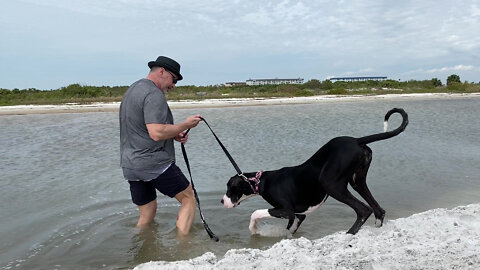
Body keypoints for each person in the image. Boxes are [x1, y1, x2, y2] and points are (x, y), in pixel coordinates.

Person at [119, 56, 202, 235]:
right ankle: (184, 246)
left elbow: (141, 128)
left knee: (146, 214)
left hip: (130, 165)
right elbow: (156, 132)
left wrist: (173, 134)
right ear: (162, 71)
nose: (174, 85)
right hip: (153, 163)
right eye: (174, 79)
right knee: (188, 198)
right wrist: (186, 125)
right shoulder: (154, 94)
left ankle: (142, 246)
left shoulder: (133, 90)